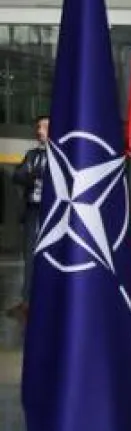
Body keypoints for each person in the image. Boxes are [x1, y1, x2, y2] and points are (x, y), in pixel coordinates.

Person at [11, 115, 48, 319]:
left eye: (43, 127)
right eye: (38, 127)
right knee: (30, 256)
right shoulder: (32, 155)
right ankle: (27, 302)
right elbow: (18, 175)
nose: (39, 130)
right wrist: (30, 175)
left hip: (53, 212)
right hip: (33, 211)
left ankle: (50, 300)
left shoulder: (62, 155)